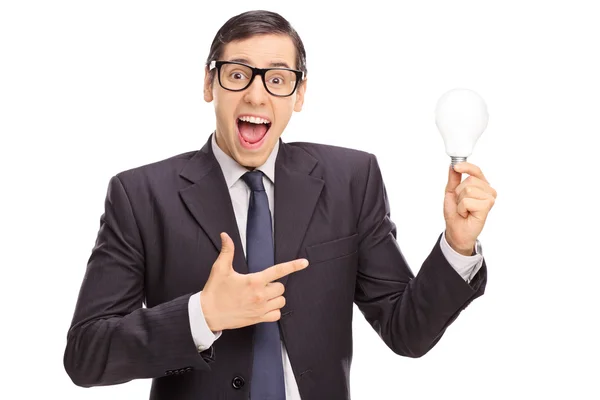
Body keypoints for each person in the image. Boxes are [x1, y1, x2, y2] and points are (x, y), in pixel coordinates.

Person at [64, 9, 497, 400]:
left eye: (277, 78)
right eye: (237, 74)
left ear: (300, 93)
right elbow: (86, 354)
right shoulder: (140, 195)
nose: (256, 96)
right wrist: (203, 315)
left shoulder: (351, 179)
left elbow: (408, 333)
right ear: (208, 83)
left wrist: (457, 247)